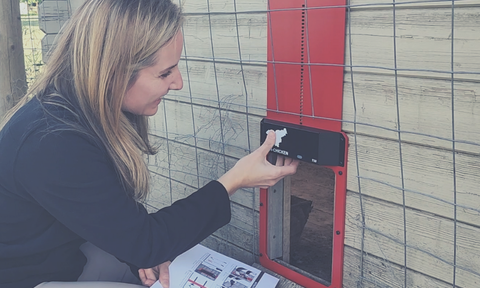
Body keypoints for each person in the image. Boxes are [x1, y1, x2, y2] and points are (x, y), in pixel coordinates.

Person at [0, 0, 298, 287]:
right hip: (26, 277)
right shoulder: (54, 141)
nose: (178, 82)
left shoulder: (79, 107)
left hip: (62, 253)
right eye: (165, 72)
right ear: (114, 73)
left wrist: (139, 249)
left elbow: (119, 223)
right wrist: (235, 179)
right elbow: (146, 243)